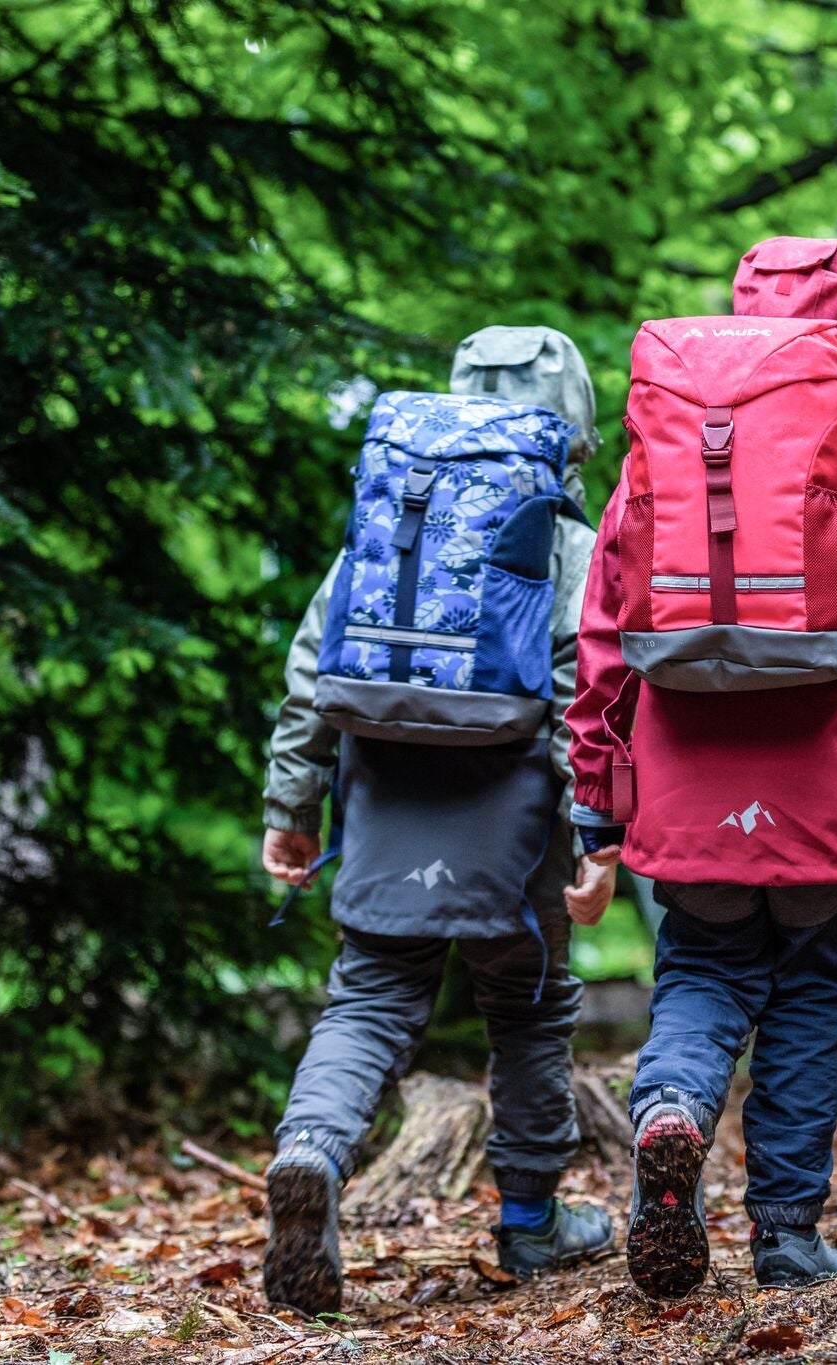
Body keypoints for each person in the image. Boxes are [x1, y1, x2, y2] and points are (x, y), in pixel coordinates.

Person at [565, 238, 837, 1297]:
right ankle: (787, 1235)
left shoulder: (656, 452)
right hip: (826, 781)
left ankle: (667, 1116)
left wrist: (596, 812)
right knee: (807, 994)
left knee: (700, 973)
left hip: (687, 780)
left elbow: (603, 638)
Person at [258, 326, 619, 1316]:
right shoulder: (566, 541)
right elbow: (579, 697)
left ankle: (310, 1152)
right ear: (578, 432)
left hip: (382, 800)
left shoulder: (392, 513)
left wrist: (292, 805)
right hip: (512, 820)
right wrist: (596, 833)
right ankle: (532, 1222)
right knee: (529, 1007)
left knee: (369, 997)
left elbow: (310, 671)